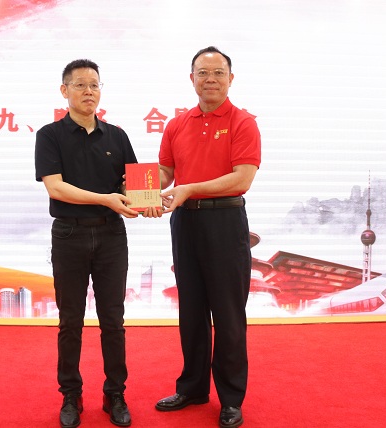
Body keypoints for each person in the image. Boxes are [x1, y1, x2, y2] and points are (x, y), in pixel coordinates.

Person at [145, 46, 261, 428]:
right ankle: (192, 388)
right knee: (191, 311)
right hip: (185, 223)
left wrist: (189, 188)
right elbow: (166, 173)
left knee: (228, 315)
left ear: (231, 78)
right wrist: (137, 189)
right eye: (203, 72)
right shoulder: (177, 124)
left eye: (218, 72)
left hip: (225, 222)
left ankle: (231, 398)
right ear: (192, 78)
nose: (210, 79)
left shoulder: (243, 122)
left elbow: (242, 178)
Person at [34, 59, 140, 428]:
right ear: (64, 91)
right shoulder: (49, 135)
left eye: (94, 85)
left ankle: (115, 394)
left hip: (112, 236)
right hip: (69, 235)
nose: (88, 91)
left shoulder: (117, 136)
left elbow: (131, 184)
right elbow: (56, 188)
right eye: (80, 85)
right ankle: (70, 395)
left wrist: (143, 199)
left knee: (113, 320)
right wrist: (107, 199)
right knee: (70, 321)